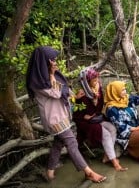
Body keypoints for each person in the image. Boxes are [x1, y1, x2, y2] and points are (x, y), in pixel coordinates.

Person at [25, 46, 106, 183]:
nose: (55, 62)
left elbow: (64, 91)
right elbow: (56, 93)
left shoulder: (49, 76)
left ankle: (49, 172)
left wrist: (75, 96)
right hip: (54, 119)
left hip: (61, 115)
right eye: (52, 60)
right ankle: (88, 172)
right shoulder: (37, 82)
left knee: (58, 143)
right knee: (71, 141)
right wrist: (51, 73)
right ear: (45, 61)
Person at [72, 68, 127, 171]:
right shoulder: (81, 94)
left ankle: (107, 156)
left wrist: (96, 99)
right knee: (105, 134)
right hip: (85, 122)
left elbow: (99, 108)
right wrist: (84, 115)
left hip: (96, 118)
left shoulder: (98, 90)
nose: (97, 81)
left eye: (97, 79)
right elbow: (76, 114)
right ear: (86, 82)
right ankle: (115, 163)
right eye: (94, 80)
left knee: (112, 129)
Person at [103, 81, 139, 164]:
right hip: (125, 134)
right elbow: (120, 126)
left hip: (137, 128)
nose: (125, 92)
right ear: (115, 92)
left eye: (124, 89)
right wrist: (136, 128)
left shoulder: (127, 99)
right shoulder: (111, 108)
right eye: (122, 90)